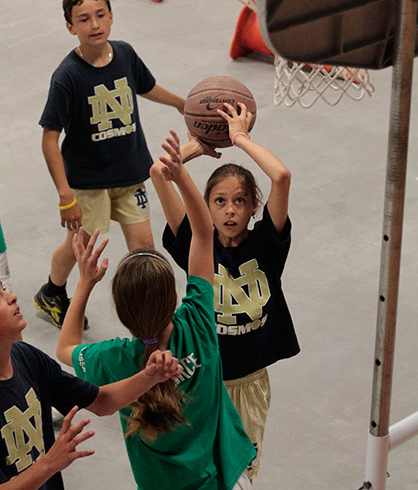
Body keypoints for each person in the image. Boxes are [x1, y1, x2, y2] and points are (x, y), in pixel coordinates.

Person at [56, 130, 256, 490]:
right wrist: (179, 175)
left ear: (123, 312)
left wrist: (84, 283)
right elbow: (204, 234)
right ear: (174, 298)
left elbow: (65, 347)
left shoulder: (114, 359)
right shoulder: (197, 322)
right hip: (226, 478)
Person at [150, 102, 300, 480]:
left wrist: (240, 139)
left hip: (249, 384)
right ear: (206, 207)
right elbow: (158, 173)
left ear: (254, 207)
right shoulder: (196, 245)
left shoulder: (267, 244)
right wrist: (199, 146)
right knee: (201, 474)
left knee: (240, 476)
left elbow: (281, 176)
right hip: (201, 380)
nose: (230, 210)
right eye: (219, 201)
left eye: (240, 201)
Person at [33, 0, 185, 329]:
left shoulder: (125, 54)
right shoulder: (67, 76)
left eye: (100, 15)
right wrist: (65, 196)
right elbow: (49, 138)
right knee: (82, 248)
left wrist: (180, 103)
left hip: (130, 174)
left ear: (112, 16)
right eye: (83, 19)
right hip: (89, 183)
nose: (94, 24)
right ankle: (52, 292)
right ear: (70, 27)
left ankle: (149, 318)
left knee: (144, 249)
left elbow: (145, 86)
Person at [0, 282, 181, 489]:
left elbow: (102, 401)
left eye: (4, 289)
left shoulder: (28, 358)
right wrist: (48, 464)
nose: (12, 296)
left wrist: (149, 377)